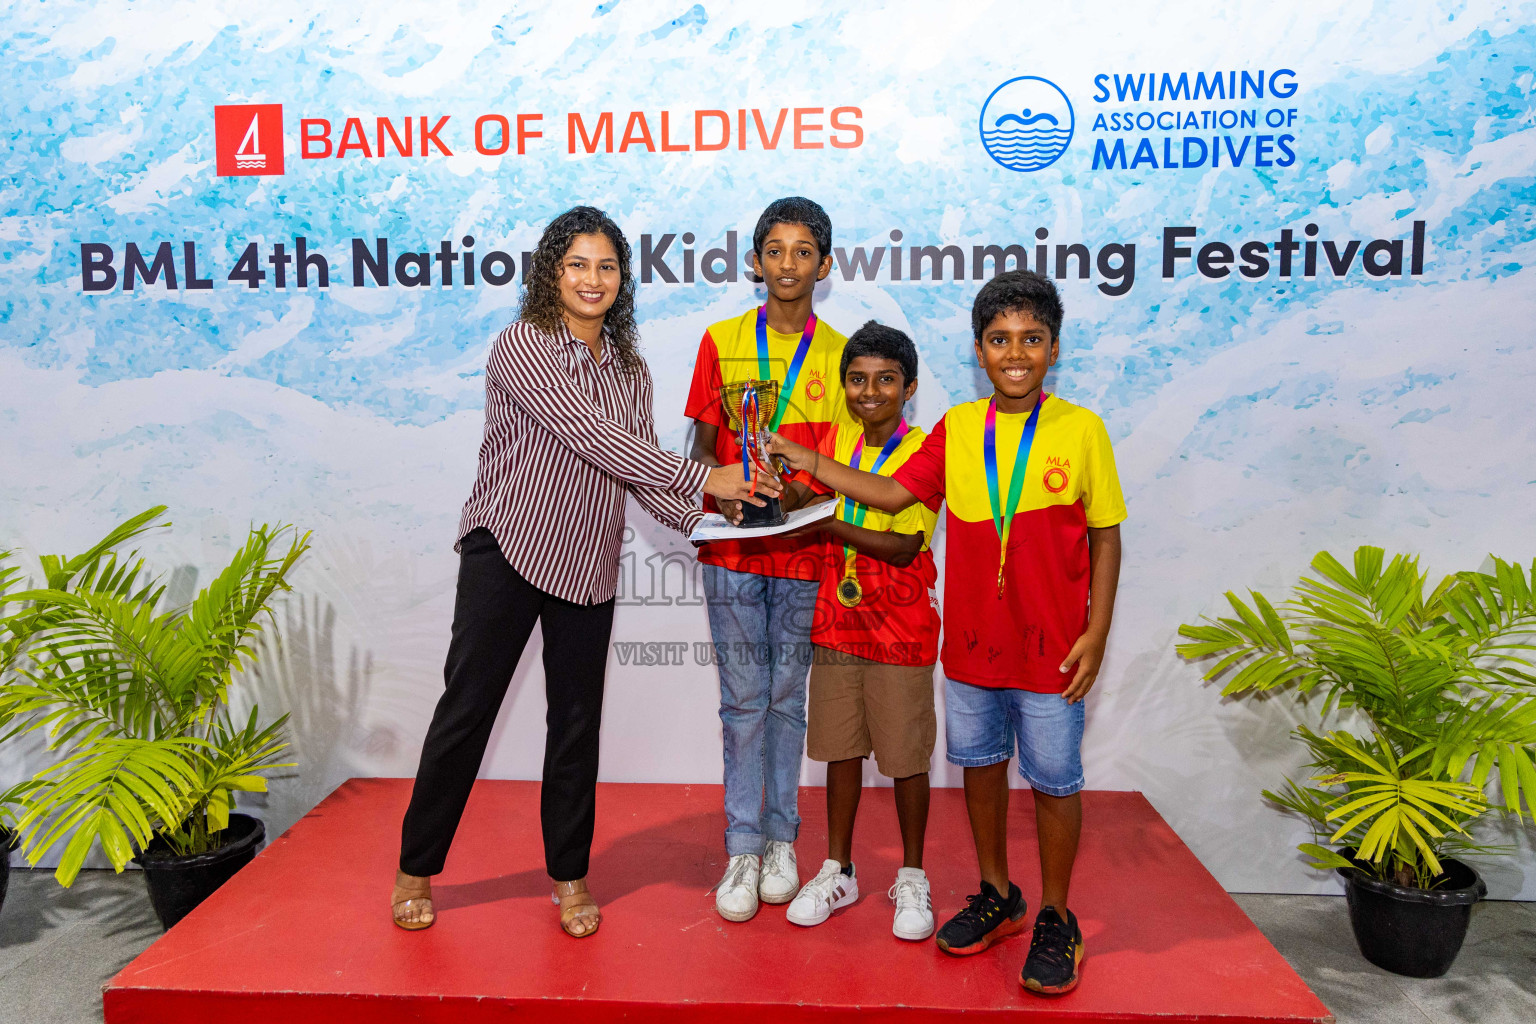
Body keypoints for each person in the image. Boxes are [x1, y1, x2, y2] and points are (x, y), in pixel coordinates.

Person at [390, 206, 770, 937]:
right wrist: (708, 476)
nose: (592, 280)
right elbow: (590, 437)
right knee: (465, 714)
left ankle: (569, 877)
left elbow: (636, 468)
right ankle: (416, 865)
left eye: (606, 267)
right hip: (508, 546)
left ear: (622, 280)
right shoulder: (522, 345)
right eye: (577, 265)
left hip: (588, 563)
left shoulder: (630, 367)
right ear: (550, 273)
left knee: (575, 728)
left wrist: (717, 520)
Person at [770, 270, 1125, 995]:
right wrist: (813, 463)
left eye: (1030, 340)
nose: (1015, 353)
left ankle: (1058, 915)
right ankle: (999, 894)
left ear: (1053, 349)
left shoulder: (1083, 429)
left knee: (1056, 782)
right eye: (999, 340)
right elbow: (894, 491)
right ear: (978, 350)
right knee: (982, 768)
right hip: (970, 649)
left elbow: (1106, 538)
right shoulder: (959, 429)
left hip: (1053, 647)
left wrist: (1096, 631)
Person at [683, 196, 856, 922]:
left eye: (803, 250)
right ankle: (742, 847)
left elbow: (845, 460)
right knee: (741, 703)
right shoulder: (720, 339)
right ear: (755, 261)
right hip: (733, 554)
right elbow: (699, 446)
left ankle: (784, 839)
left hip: (804, 547)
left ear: (825, 263)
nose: (789, 264)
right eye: (774, 250)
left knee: (788, 701)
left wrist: (799, 484)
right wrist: (722, 493)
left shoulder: (844, 351)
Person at [782, 321, 942, 942]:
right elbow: (801, 492)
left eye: (885, 380)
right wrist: (771, 491)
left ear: (909, 387)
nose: (869, 392)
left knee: (904, 756)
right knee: (839, 746)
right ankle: (838, 867)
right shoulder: (834, 436)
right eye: (856, 379)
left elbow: (903, 545)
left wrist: (825, 527)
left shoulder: (925, 449)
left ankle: (912, 872)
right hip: (836, 621)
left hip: (900, 625)